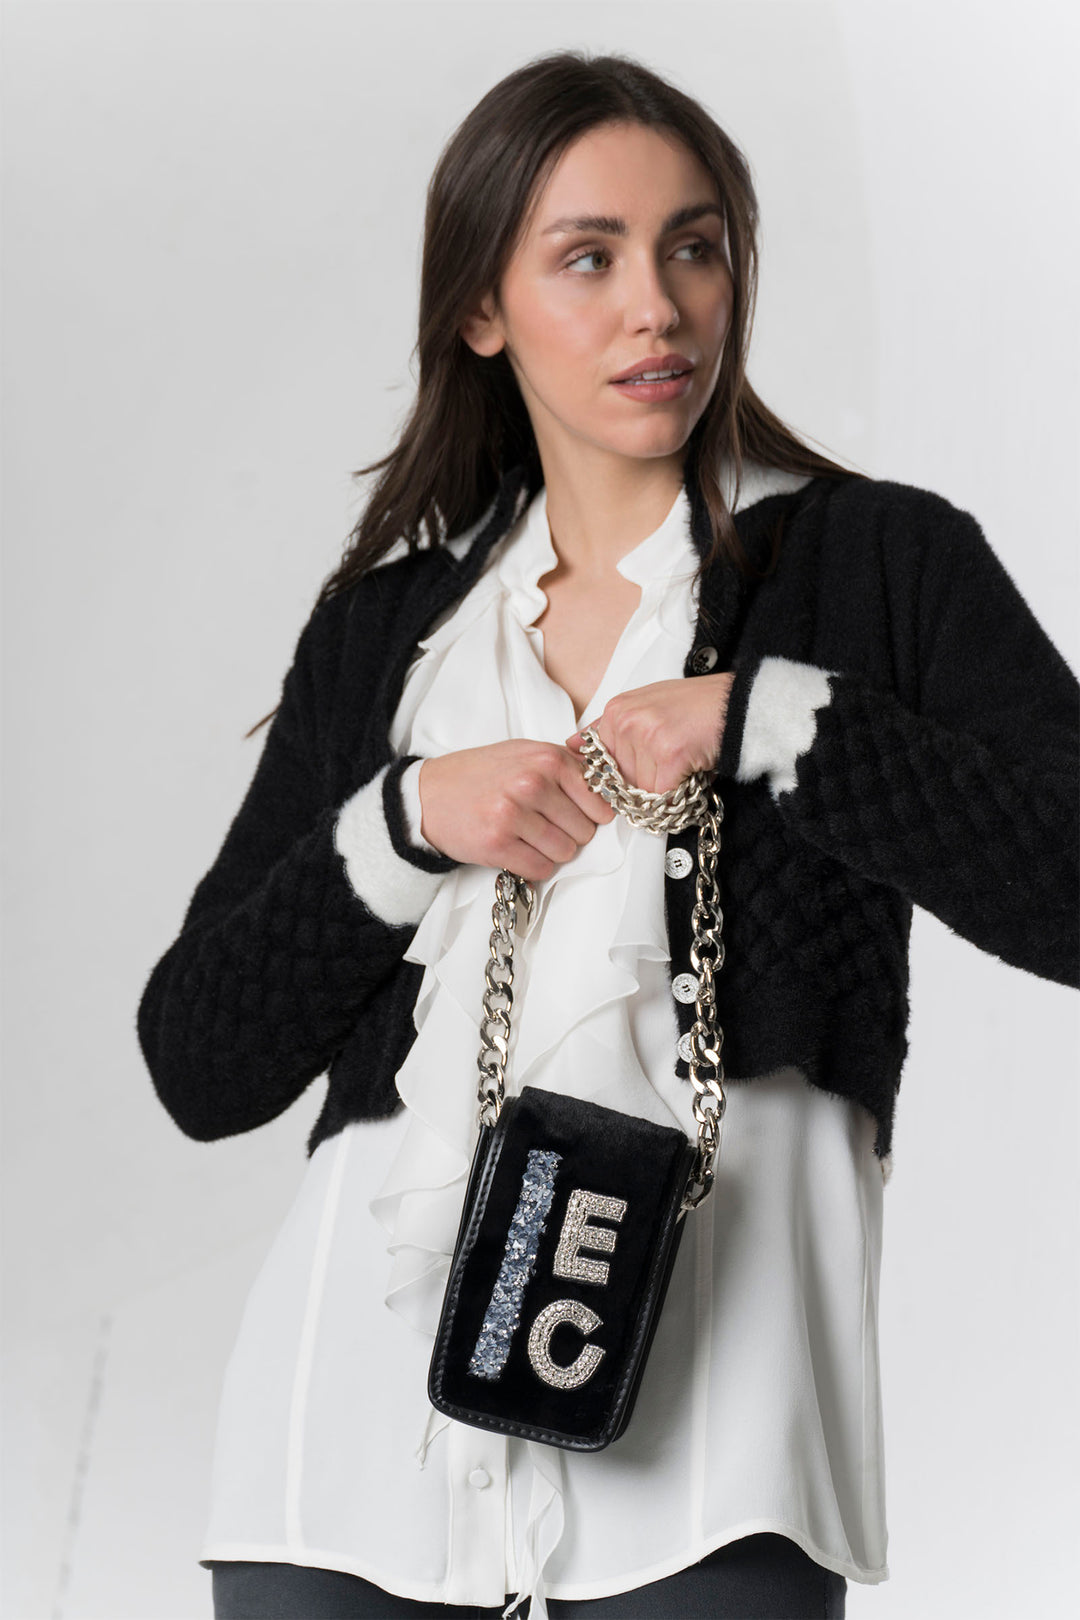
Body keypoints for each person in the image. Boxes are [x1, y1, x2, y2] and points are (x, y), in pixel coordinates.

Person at [136, 49, 1079, 1620]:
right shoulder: (385, 638)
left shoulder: (880, 564)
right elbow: (198, 1062)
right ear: (482, 310)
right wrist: (400, 825)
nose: (660, 304)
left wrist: (774, 725)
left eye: (693, 247)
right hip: (351, 1431)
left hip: (721, 1413)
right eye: (590, 257)